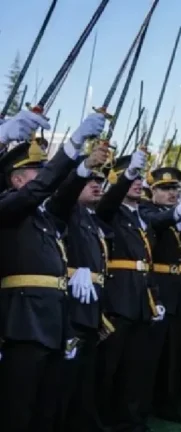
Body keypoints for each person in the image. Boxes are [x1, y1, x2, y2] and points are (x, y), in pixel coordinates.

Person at [0, 111, 106, 432]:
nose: (46, 177)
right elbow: (41, 189)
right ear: (17, 180)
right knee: (19, 408)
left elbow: (63, 193)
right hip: (23, 321)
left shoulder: (45, 216)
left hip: (54, 320)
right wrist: (72, 143)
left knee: (47, 408)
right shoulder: (9, 207)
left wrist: (83, 166)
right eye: (38, 171)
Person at [96, 150, 167, 432]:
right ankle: (103, 421)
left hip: (141, 298)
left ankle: (131, 419)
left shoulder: (142, 216)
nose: (138, 182)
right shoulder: (110, 210)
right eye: (132, 178)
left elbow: (147, 262)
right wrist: (125, 177)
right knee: (109, 367)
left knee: (135, 367)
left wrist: (154, 297)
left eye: (139, 177)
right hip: (118, 297)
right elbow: (108, 201)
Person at [53, 146, 113, 432]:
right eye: (90, 179)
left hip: (91, 306)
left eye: (100, 180)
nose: (96, 184)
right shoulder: (66, 210)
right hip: (70, 307)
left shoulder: (90, 217)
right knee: (64, 379)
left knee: (84, 377)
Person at [141, 166, 181, 424]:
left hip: (178, 288)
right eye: (165, 189)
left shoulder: (180, 217)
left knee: (173, 352)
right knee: (151, 352)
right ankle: (144, 404)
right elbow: (156, 223)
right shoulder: (147, 210)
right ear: (153, 191)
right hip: (158, 287)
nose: (171, 193)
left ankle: (167, 403)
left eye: (175, 188)